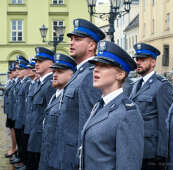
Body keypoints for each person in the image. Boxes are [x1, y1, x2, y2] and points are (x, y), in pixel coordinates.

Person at [79, 40, 144, 170]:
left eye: (103, 66)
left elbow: (128, 165)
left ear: (120, 74)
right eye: (95, 65)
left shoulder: (128, 114)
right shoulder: (99, 105)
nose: (96, 70)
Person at [53, 18, 105, 170]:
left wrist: (81, 161)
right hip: (65, 153)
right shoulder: (79, 73)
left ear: (91, 45)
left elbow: (88, 124)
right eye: (71, 39)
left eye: (77, 39)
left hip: (75, 159)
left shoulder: (90, 75)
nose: (71, 43)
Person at [129, 43, 173, 170]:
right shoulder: (136, 85)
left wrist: (162, 154)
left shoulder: (162, 86)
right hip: (136, 148)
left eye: (142, 60)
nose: (138, 62)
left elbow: (166, 121)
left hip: (152, 153)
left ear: (153, 62)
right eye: (137, 59)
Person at [38, 54, 77, 170]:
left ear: (72, 75)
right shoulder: (55, 96)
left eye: (59, 72)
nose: (54, 75)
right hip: (47, 157)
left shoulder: (70, 99)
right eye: (54, 71)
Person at [27, 47, 56, 170]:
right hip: (36, 136)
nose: (36, 64)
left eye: (40, 61)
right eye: (36, 61)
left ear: (50, 63)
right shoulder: (41, 83)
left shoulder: (50, 84)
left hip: (42, 139)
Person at [4, 64, 17, 159]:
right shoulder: (12, 82)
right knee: (12, 129)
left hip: (15, 112)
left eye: (12, 71)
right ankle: (14, 148)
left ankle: (14, 148)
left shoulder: (17, 82)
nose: (10, 74)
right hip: (11, 110)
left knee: (15, 131)